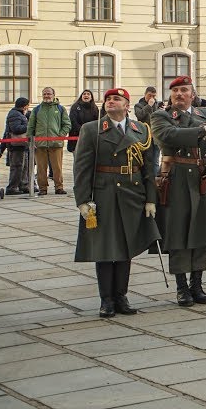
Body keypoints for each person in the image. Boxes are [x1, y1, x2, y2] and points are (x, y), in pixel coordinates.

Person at [73, 87, 159, 318]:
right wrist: (82, 200)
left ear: (127, 105)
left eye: (117, 99)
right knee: (104, 249)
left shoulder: (141, 130)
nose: (111, 102)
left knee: (125, 248)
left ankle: (121, 296)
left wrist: (151, 198)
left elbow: (149, 167)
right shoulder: (92, 129)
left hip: (132, 194)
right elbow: (82, 167)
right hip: (104, 194)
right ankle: (106, 299)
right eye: (108, 99)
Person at [150, 76, 206, 307]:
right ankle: (182, 286)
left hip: (203, 176)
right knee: (179, 232)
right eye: (175, 91)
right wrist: (203, 130)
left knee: (202, 231)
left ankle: (197, 283)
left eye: (184, 90)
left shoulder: (204, 114)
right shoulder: (161, 116)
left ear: (192, 94)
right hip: (176, 177)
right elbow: (168, 136)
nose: (179, 94)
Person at [28, 87, 71, 196]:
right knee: (41, 168)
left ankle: (59, 187)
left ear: (53, 95)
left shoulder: (61, 109)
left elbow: (67, 124)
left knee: (57, 168)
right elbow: (31, 126)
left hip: (56, 144)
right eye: (45, 94)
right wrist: (31, 140)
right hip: (40, 144)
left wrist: (60, 135)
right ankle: (43, 188)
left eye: (49, 94)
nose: (47, 96)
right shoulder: (37, 109)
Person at [4, 98, 31, 195]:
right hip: (16, 145)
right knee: (17, 167)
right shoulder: (14, 114)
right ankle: (12, 187)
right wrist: (29, 127)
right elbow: (16, 128)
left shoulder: (20, 114)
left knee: (24, 167)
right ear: (25, 106)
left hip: (22, 145)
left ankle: (23, 185)